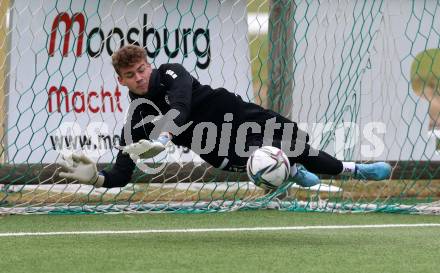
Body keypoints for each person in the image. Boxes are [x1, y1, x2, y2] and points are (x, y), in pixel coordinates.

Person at [58, 44, 391, 189]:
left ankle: (319, 168)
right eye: (131, 75)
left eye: (142, 69)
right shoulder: (136, 118)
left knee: (297, 141)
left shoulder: (171, 73)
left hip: (237, 114)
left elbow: (180, 106)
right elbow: (121, 173)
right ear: (122, 81)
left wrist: (162, 138)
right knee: (266, 157)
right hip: (220, 148)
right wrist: (98, 179)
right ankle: (341, 171)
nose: (140, 77)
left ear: (150, 64)